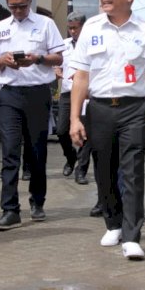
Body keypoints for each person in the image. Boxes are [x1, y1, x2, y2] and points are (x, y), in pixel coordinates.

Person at [69, 0, 145, 260]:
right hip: (99, 108)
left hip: (134, 109)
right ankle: (113, 223)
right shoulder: (91, 28)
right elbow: (81, 76)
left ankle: (133, 235)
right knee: (104, 168)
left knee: (132, 170)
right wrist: (75, 118)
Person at [0, 0, 65, 230]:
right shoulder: (0, 27)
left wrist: (37, 58)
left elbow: (58, 57)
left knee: (36, 150)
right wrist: (3, 60)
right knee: (9, 152)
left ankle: (37, 201)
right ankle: (10, 209)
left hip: (38, 93)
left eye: (21, 6)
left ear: (30, 1)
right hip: (9, 94)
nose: (17, 11)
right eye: (12, 7)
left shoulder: (46, 24)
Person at [55, 11, 92, 184]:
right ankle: (71, 158)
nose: (72, 31)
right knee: (62, 131)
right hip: (67, 93)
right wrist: (56, 72)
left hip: (87, 94)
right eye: (69, 28)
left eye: (75, 28)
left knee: (85, 133)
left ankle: (81, 171)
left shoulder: (92, 45)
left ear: (83, 27)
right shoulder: (63, 45)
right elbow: (56, 66)